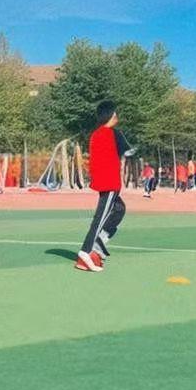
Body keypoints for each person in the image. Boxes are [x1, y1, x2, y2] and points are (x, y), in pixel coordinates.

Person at [74, 101, 135, 271]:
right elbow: (129, 152)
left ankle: (100, 240)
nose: (117, 116)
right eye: (115, 113)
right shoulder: (114, 133)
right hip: (110, 182)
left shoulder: (96, 134)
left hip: (102, 181)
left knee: (119, 209)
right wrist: (136, 149)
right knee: (100, 217)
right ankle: (86, 251)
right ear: (110, 115)